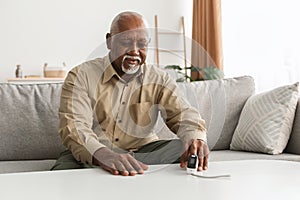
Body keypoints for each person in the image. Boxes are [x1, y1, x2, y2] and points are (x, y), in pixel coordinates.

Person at [52, 11, 209, 176]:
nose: (134, 51)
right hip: (96, 152)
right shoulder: (80, 75)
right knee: (62, 173)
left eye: (142, 44)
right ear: (109, 41)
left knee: (183, 148)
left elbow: (184, 114)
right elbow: (75, 127)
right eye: (126, 42)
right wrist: (103, 155)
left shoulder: (159, 78)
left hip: (145, 152)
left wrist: (195, 138)